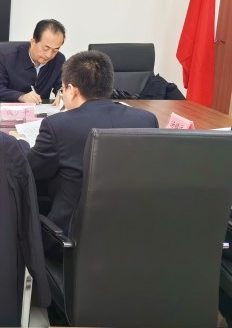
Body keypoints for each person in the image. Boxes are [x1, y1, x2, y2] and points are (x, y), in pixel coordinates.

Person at [14, 50, 158, 256]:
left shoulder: (58, 125)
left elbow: (31, 171)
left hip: (69, 242)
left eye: (62, 89)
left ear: (72, 90)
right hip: (131, 239)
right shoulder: (146, 120)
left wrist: (22, 143)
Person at [0, 19, 66, 104]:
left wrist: (62, 93)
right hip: (11, 110)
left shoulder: (59, 60)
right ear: (33, 42)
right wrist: (21, 97)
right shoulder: (8, 58)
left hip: (41, 111)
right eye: (46, 48)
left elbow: (62, 85)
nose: (49, 55)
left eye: (55, 50)